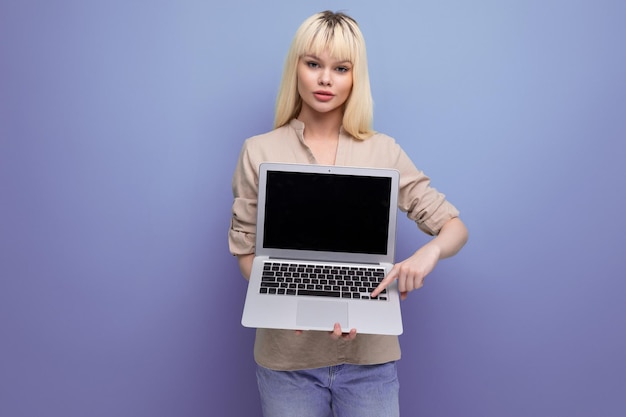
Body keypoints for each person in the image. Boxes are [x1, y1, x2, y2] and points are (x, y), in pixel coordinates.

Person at [228, 10, 468, 417]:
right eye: (314, 65)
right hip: (286, 362)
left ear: (356, 77)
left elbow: (454, 227)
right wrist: (297, 300)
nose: (326, 79)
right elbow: (247, 255)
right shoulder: (259, 150)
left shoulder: (383, 151)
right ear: (296, 69)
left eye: (341, 68)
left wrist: (427, 255)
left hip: (369, 363)